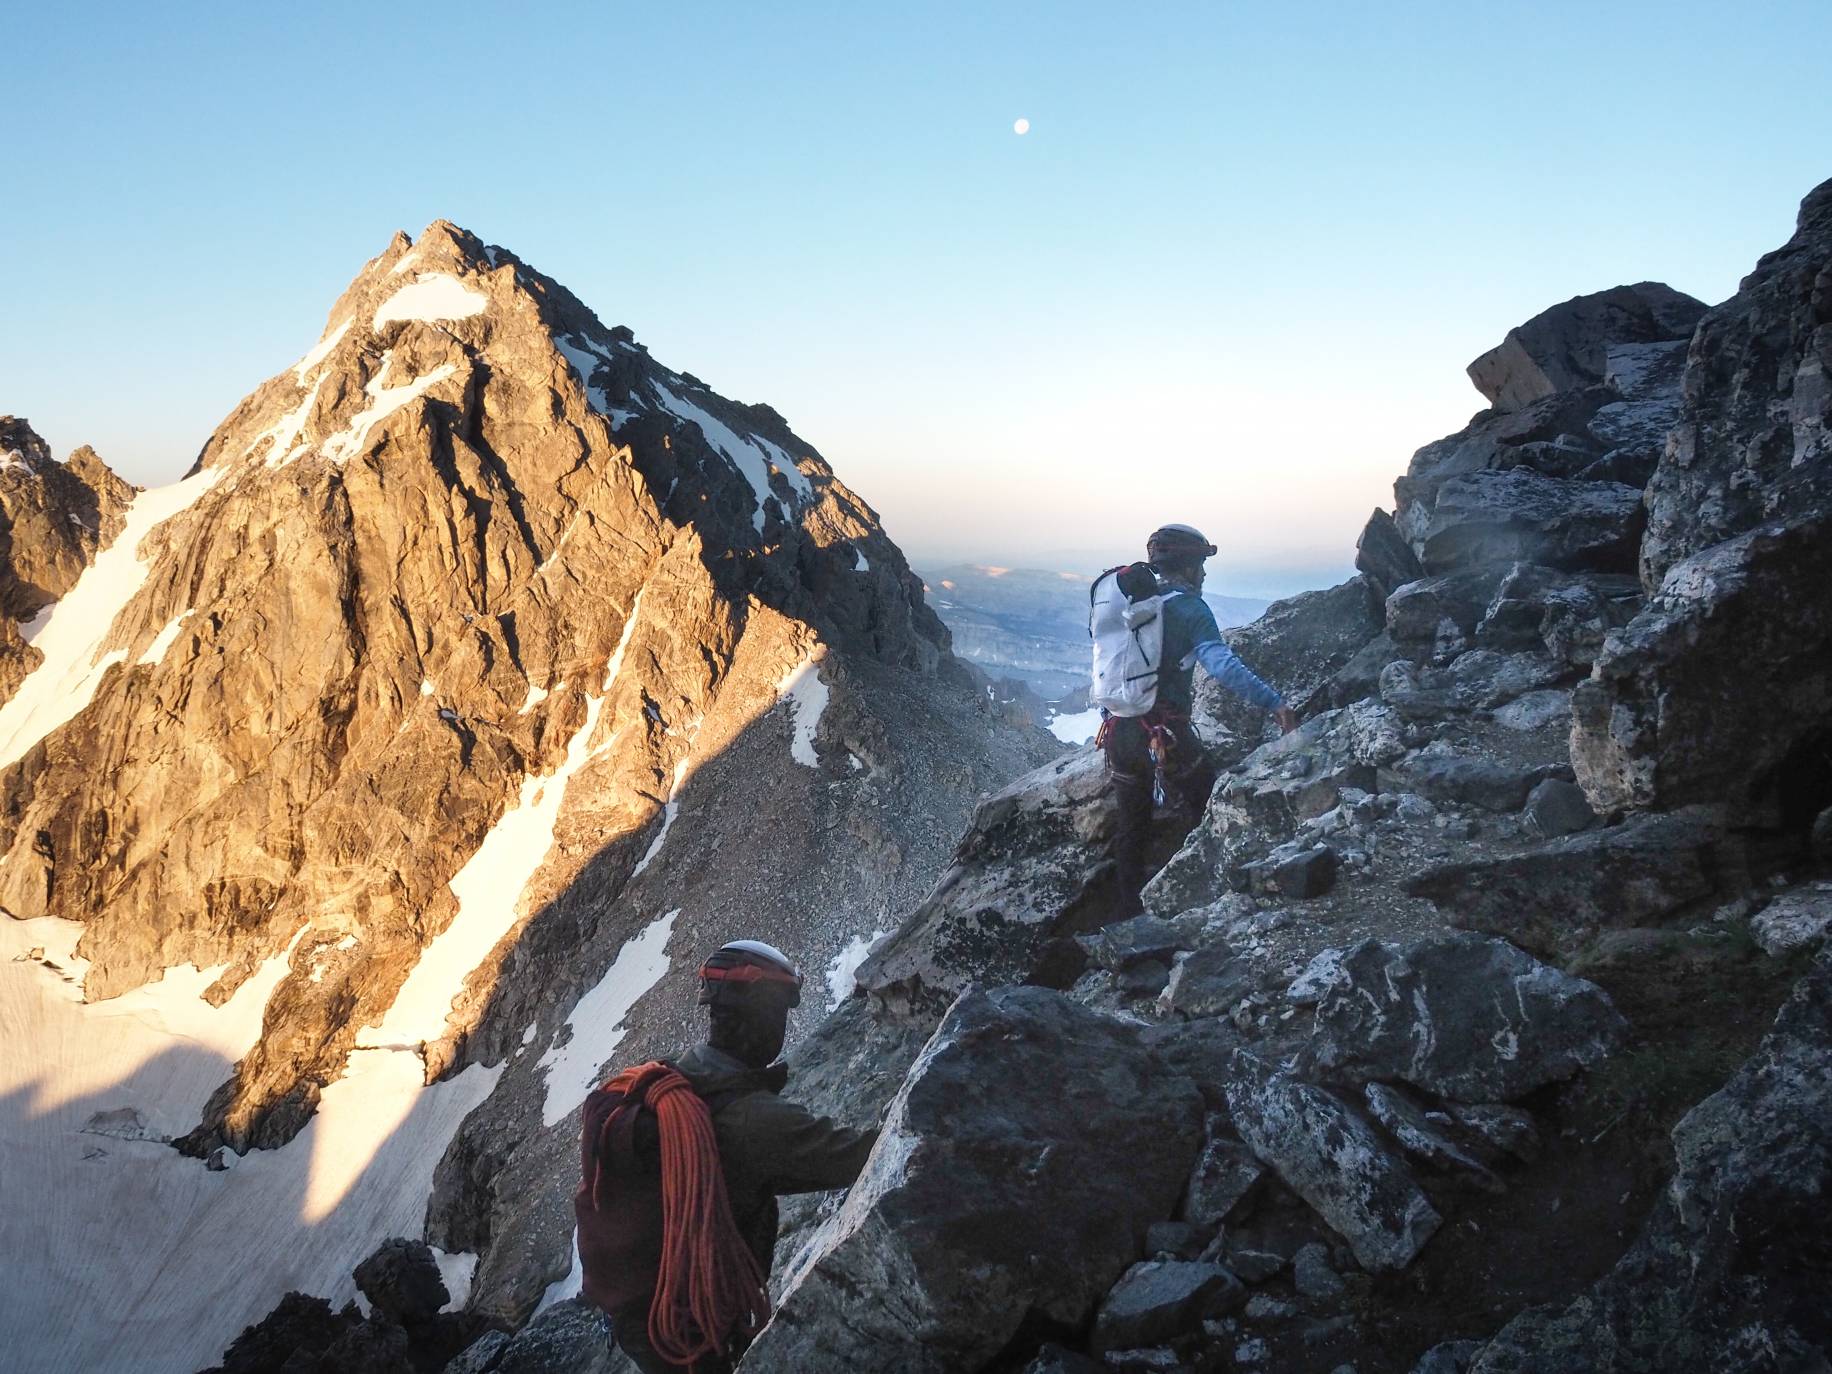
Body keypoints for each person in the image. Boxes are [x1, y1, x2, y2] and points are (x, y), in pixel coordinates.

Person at [580, 940, 877, 1374]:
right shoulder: (749, 1120)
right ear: (759, 1014)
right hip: (693, 1331)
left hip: (641, 1321)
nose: (782, 1026)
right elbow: (860, 1155)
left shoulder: (668, 1077)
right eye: (780, 1013)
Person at [1099, 523, 1297, 915]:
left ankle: (1127, 918)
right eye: (1201, 565)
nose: (1204, 574)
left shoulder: (1132, 606)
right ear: (1188, 567)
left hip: (1120, 731)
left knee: (1132, 825)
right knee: (1205, 805)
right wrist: (1275, 703)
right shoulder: (1190, 608)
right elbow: (1221, 665)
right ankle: (1206, 903)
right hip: (1166, 734)